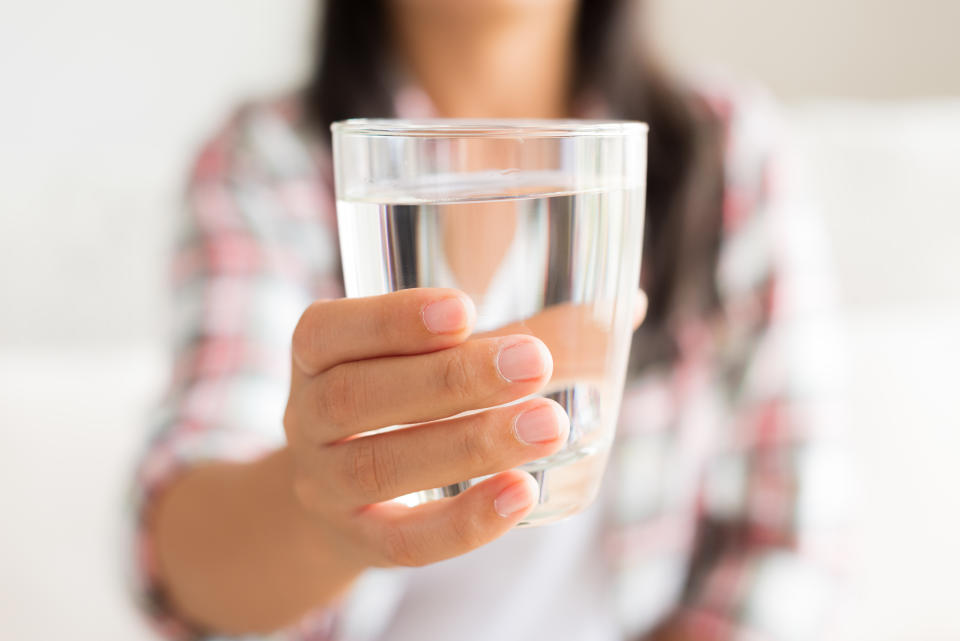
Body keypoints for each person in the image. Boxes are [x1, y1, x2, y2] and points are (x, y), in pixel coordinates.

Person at [132, 0, 844, 639]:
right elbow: (187, 545)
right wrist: (324, 517)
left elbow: (788, 544)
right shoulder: (268, 160)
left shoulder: (723, 151)